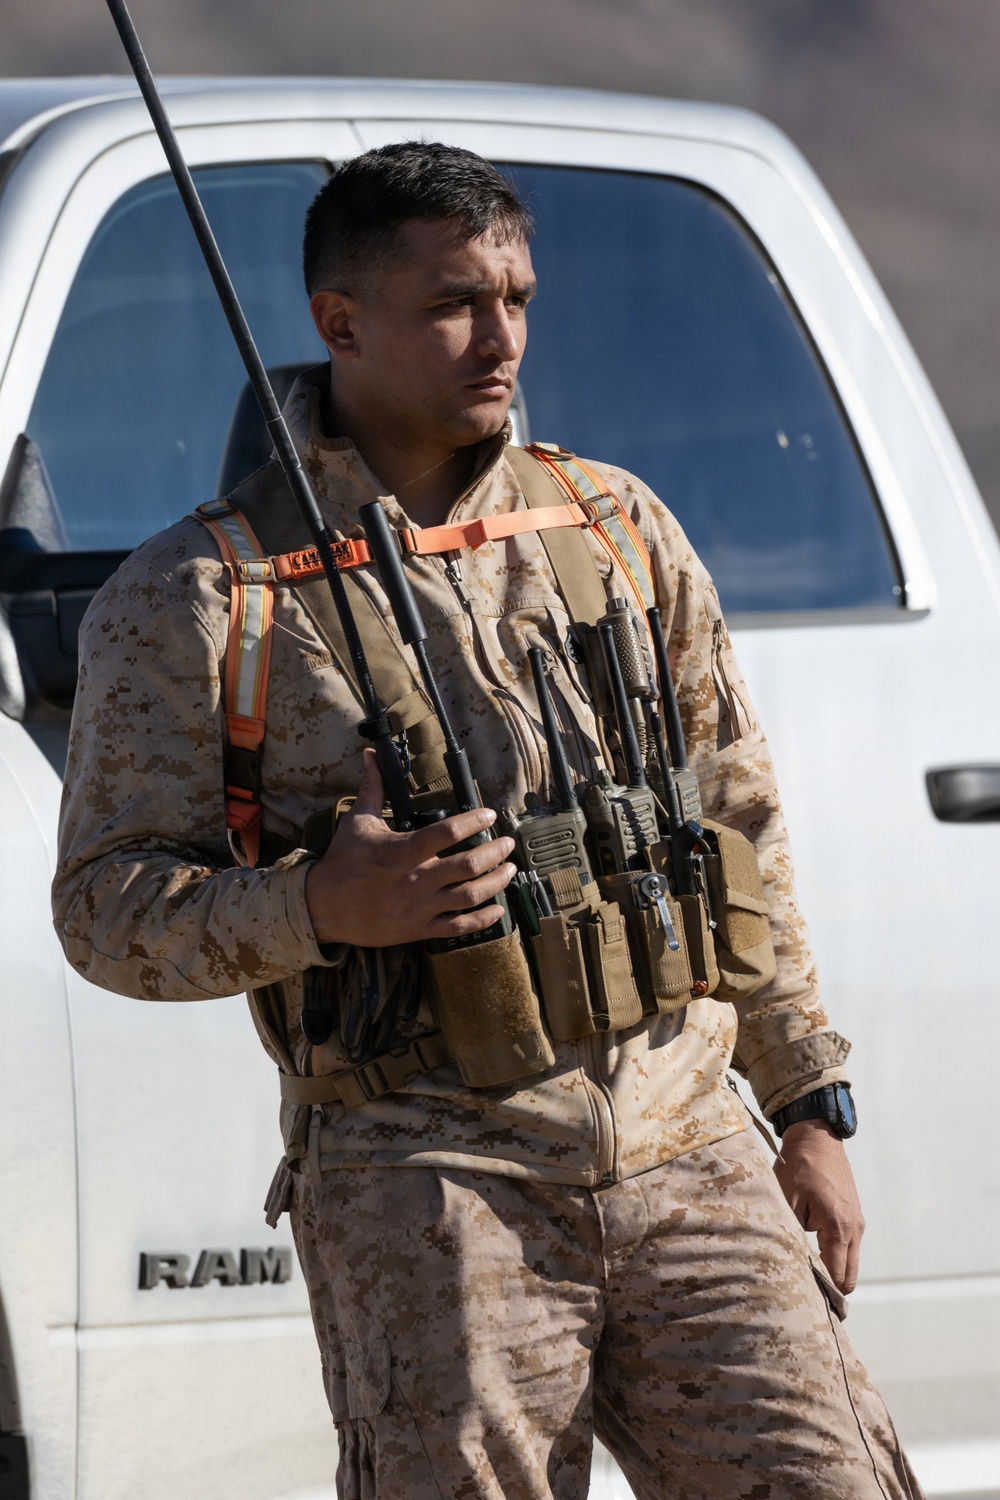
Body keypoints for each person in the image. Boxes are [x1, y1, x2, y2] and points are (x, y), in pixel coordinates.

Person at [53, 142, 922, 1500]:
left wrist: (808, 1106)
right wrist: (316, 908)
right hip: (430, 1176)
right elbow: (104, 909)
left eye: (517, 296)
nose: (500, 335)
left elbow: (736, 826)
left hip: (691, 1146)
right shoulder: (203, 598)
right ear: (340, 322)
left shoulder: (619, 524)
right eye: (454, 302)